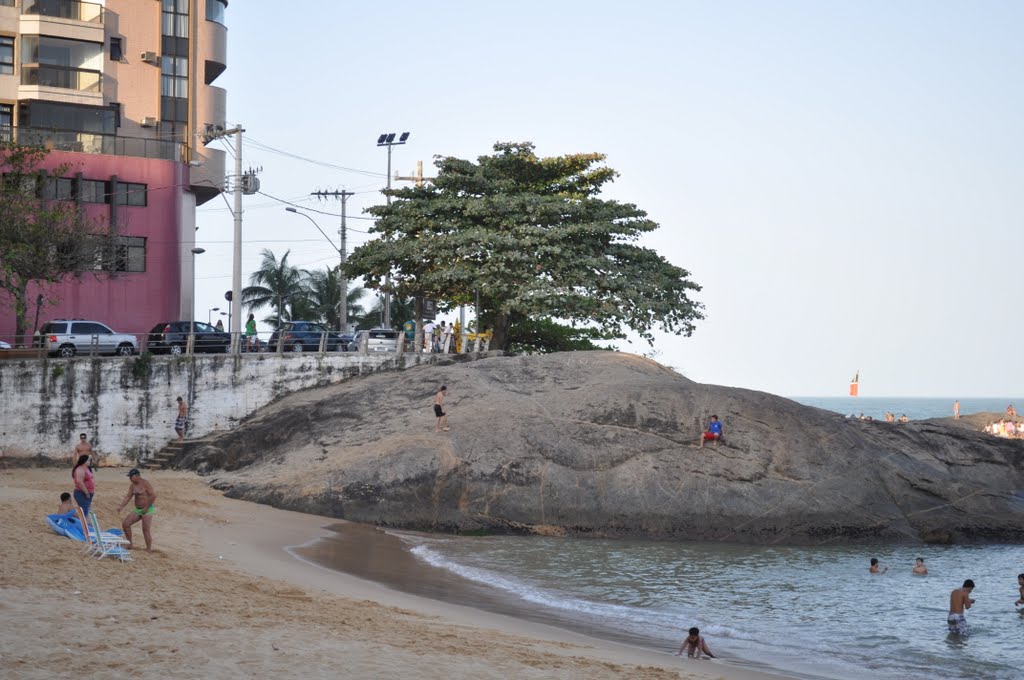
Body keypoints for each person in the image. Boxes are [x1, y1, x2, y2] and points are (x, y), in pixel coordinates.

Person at [117, 469, 157, 551]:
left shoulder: (145, 483)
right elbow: (128, 496)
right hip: (138, 509)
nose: (130, 478)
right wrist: (121, 506)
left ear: (137, 476)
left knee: (145, 529)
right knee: (126, 524)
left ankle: (148, 549)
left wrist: (146, 508)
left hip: (148, 508)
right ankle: (130, 544)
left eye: (131, 477)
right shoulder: (133, 485)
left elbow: (153, 496)